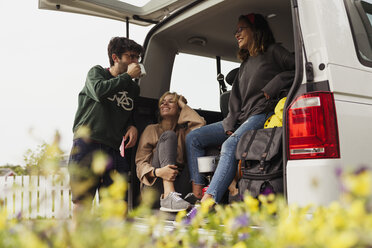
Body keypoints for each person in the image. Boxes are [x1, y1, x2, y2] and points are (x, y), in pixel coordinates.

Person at [185, 13, 295, 205]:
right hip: (241, 119)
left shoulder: (274, 51)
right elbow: (235, 101)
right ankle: (197, 192)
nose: (236, 34)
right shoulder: (245, 64)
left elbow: (301, 67)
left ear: (256, 30)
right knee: (194, 137)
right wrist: (229, 124)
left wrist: (277, 82)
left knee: (229, 145)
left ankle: (208, 201)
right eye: (235, 31)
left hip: (262, 114)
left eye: (240, 29)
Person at [68, 37, 143, 212]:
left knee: (117, 205)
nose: (135, 61)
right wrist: (127, 77)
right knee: (82, 203)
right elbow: (100, 92)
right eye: (130, 56)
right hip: (87, 144)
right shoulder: (97, 73)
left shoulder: (133, 89)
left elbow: (126, 112)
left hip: (112, 149)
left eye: (137, 58)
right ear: (115, 57)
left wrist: (131, 125)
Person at [136, 92, 206, 212]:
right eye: (162, 102)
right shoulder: (151, 129)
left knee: (196, 155)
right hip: (154, 189)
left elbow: (201, 125)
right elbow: (140, 163)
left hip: (180, 189)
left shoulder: (184, 132)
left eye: (170, 101)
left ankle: (197, 197)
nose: (164, 103)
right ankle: (169, 195)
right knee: (168, 136)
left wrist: (182, 105)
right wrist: (159, 172)